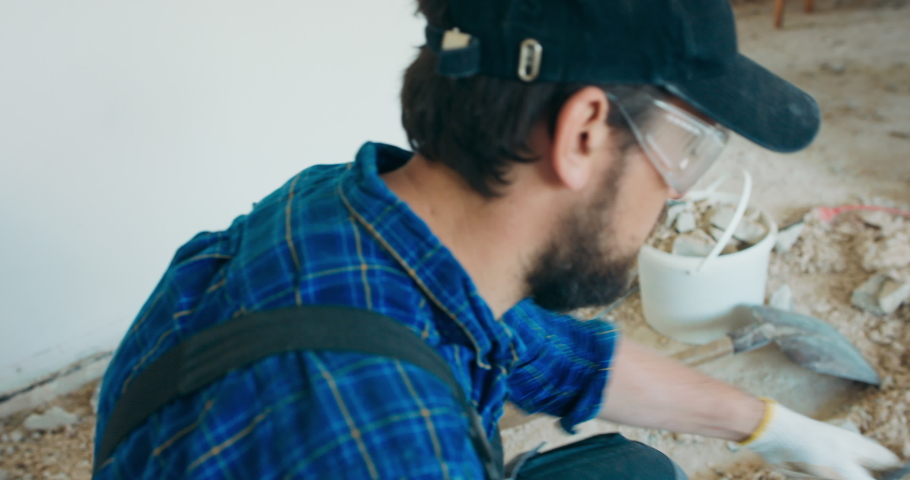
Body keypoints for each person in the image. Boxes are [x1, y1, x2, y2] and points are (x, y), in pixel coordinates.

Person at [94, 0, 901, 478]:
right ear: (583, 130)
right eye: (684, 149)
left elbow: (555, 357)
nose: (678, 191)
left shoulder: (351, 214)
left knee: (625, 473)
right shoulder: (390, 444)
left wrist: (781, 429)